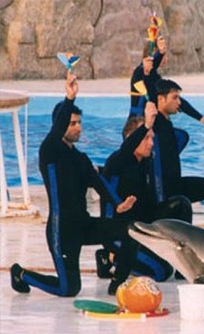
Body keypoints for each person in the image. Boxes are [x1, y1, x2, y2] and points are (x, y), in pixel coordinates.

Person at [10, 72, 139, 296]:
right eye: (72, 124)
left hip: (83, 225)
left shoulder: (80, 158)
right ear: (60, 126)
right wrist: (70, 98)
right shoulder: (50, 152)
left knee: (131, 230)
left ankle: (117, 284)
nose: (78, 127)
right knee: (68, 288)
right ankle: (21, 274)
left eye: (79, 123)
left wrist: (118, 204)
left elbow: (99, 183)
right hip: (62, 231)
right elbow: (57, 130)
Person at [96, 102, 192, 282]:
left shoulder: (146, 161)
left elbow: (181, 137)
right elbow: (127, 148)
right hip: (118, 232)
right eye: (146, 138)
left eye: (151, 138)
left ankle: (185, 265)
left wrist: (160, 120)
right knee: (161, 272)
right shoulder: (118, 161)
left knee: (181, 204)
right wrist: (146, 125)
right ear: (131, 138)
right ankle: (108, 256)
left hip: (141, 225)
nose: (151, 143)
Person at [140, 76, 204, 230]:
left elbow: (185, 108)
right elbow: (148, 84)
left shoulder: (167, 124)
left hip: (176, 185)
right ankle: (186, 240)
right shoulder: (155, 123)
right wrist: (150, 69)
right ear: (160, 99)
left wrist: (202, 119)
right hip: (162, 195)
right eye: (175, 98)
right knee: (183, 204)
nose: (179, 102)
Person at [129, 36, 204, 128]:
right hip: (136, 125)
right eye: (164, 55)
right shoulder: (139, 73)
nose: (166, 58)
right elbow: (152, 64)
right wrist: (160, 53)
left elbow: (176, 100)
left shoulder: (155, 77)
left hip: (150, 123)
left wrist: (203, 120)